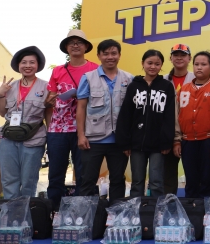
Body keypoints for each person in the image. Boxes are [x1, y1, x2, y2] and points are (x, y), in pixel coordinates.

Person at [45, 29, 98, 207]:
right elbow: (49, 100)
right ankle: (53, 211)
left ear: (86, 47)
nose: (75, 45)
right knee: (55, 174)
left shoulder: (95, 69)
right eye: (71, 43)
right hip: (58, 129)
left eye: (79, 42)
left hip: (85, 129)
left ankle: (82, 212)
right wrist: (50, 102)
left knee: (84, 174)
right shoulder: (58, 71)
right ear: (66, 48)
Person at [76, 39, 133, 202]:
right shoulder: (88, 78)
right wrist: (81, 135)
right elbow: (81, 108)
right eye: (106, 53)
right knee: (88, 180)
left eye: (114, 53)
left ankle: (115, 214)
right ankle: (86, 214)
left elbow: (133, 111)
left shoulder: (129, 79)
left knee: (118, 180)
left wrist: (129, 139)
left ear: (119, 55)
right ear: (99, 56)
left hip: (119, 141)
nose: (110, 57)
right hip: (93, 139)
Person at [116, 50, 176, 197]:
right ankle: (136, 209)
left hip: (158, 145)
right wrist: (125, 142)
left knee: (156, 182)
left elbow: (169, 116)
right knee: (137, 181)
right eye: (149, 63)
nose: (153, 67)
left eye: (157, 64)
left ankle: (157, 209)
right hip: (136, 144)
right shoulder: (133, 86)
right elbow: (126, 115)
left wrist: (167, 141)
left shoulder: (167, 86)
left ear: (161, 65)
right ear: (143, 63)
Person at [0, 46, 48, 198]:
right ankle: (11, 211)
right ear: (18, 65)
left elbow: (49, 115)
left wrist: (51, 138)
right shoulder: (9, 87)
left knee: (28, 181)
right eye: (24, 62)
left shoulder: (46, 87)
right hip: (8, 139)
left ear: (38, 65)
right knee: (9, 180)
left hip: (34, 139)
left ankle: (26, 211)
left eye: (32, 62)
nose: (27, 65)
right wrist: (0, 95)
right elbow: (2, 112)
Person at [173, 51, 210, 198]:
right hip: (187, 141)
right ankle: (191, 209)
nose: (199, 67)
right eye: (196, 64)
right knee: (191, 180)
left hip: (208, 141)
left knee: (207, 180)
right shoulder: (183, 90)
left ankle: (206, 210)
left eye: (204, 64)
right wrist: (177, 140)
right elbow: (176, 116)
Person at [162, 43, 194, 194]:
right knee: (167, 175)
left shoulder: (197, 78)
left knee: (194, 174)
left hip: (191, 133)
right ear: (171, 58)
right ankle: (168, 204)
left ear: (189, 58)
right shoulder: (162, 80)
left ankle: (194, 205)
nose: (179, 58)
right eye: (176, 55)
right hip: (167, 134)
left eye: (183, 55)